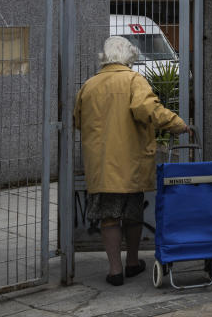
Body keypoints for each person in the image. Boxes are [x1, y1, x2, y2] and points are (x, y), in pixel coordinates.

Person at [74, 35, 192, 286]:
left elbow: (77, 120)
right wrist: (178, 124)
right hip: (130, 163)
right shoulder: (134, 81)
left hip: (102, 165)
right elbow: (148, 110)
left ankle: (114, 270)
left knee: (109, 216)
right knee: (133, 214)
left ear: (105, 57)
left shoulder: (90, 85)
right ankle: (132, 262)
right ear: (129, 56)